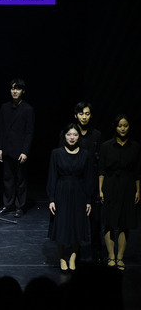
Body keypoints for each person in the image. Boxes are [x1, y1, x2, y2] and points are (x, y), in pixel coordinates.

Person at [59, 102, 102, 261]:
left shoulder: (96, 135)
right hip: (73, 182)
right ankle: (72, 252)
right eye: (81, 113)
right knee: (72, 218)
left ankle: (96, 251)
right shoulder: (69, 133)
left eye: (87, 113)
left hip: (90, 181)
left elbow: (100, 161)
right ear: (76, 115)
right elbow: (60, 157)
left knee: (95, 220)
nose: (84, 117)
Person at [47, 123, 93, 273]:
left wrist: (88, 200)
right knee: (61, 225)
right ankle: (61, 258)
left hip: (79, 193)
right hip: (61, 192)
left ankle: (73, 257)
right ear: (64, 136)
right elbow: (52, 176)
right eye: (69, 134)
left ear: (79, 137)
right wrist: (52, 198)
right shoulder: (56, 153)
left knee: (77, 226)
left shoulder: (85, 154)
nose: (72, 137)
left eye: (75, 135)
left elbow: (88, 178)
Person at [99, 114, 140, 271]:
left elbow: (137, 171)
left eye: (126, 125)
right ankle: (111, 256)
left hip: (128, 187)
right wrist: (100, 190)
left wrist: (138, 190)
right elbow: (101, 169)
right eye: (120, 126)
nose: (123, 128)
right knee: (109, 222)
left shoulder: (135, 147)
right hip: (110, 186)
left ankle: (120, 257)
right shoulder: (106, 146)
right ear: (114, 127)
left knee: (125, 224)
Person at [0, 78, 34, 218]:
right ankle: (8, 204)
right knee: (7, 179)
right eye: (12, 88)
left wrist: (25, 151)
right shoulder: (5, 107)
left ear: (23, 91)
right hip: (7, 149)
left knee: (20, 180)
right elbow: (0, 128)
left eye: (17, 89)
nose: (14, 91)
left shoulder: (28, 109)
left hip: (20, 151)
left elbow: (29, 132)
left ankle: (20, 206)